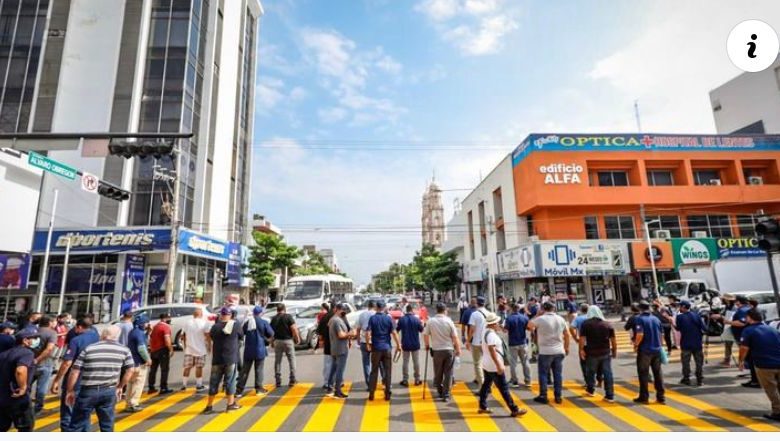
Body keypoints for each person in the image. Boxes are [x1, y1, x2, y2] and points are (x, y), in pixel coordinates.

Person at [65, 326, 133, 432]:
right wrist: (120, 387)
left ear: (103, 335)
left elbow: (75, 371)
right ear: (117, 336)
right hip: (109, 391)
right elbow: (130, 370)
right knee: (107, 426)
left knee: (76, 425)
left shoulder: (89, 348)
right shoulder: (124, 350)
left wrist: (70, 390)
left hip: (88, 391)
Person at [50, 318, 99, 432]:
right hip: (90, 381)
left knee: (68, 412)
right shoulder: (97, 338)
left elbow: (67, 363)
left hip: (74, 381)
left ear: (80, 327)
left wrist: (56, 380)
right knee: (84, 414)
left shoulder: (76, 340)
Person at [477, 312, 527, 417]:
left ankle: (482, 406)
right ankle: (514, 409)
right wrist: (499, 365)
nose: (499, 324)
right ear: (493, 324)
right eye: (497, 323)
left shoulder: (485, 331)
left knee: (486, 385)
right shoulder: (491, 335)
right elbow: (492, 350)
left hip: (487, 364)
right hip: (494, 366)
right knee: (503, 388)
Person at [738, 309, 780, 422]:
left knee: (771, 389)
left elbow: (744, 348)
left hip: (764, 364)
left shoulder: (748, 330)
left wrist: (741, 361)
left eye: (747, 317)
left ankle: (777, 412)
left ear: (750, 318)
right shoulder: (772, 329)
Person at [528, 301, 569, 404]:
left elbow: (529, 326)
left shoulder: (540, 319)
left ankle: (543, 395)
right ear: (554, 308)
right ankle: (558, 396)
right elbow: (567, 334)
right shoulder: (560, 319)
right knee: (558, 374)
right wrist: (566, 347)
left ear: (543, 309)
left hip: (545, 351)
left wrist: (538, 314)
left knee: (543, 374)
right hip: (559, 350)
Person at [204, 307, 244, 414]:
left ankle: (209, 406)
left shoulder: (215, 327)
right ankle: (230, 405)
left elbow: (211, 337)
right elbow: (241, 336)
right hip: (230, 358)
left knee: (214, 382)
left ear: (221, 315)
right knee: (230, 381)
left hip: (217, 358)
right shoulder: (235, 325)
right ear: (230, 315)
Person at [0, 328, 38, 432]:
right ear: (25, 340)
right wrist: (23, 387)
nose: (36, 340)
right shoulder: (27, 353)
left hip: (3, 397)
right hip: (18, 399)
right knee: (25, 428)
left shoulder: (4, 354)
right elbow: (20, 370)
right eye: (34, 338)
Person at [424, 303, 461, 402]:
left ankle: (440, 390)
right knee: (448, 372)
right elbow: (455, 337)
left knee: (438, 371)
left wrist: (427, 345)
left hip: (437, 351)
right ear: (445, 310)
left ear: (436, 310)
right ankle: (446, 394)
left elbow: (426, 335)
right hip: (448, 350)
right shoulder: (449, 321)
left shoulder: (430, 321)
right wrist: (458, 349)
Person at [579, 305, 616, 401]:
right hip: (605, 352)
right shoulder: (608, 324)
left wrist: (581, 350)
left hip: (591, 352)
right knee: (608, 373)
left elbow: (582, 339)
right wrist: (614, 351)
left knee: (590, 372)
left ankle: (591, 389)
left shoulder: (585, 324)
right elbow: (613, 340)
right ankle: (609, 395)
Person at [366, 300, 401, 401]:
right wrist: (399, 345)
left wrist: (368, 344)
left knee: (374, 371)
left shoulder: (372, 318)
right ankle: (387, 394)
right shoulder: (388, 319)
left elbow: (368, 333)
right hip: (386, 348)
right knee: (388, 371)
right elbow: (394, 333)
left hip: (376, 348)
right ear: (384, 308)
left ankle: (371, 393)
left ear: (376, 308)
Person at [237, 306, 274, 396]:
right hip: (260, 349)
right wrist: (267, 340)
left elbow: (242, 333)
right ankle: (258, 389)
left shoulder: (248, 322)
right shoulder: (263, 322)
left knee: (245, 371)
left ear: (253, 313)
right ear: (261, 313)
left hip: (248, 350)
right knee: (259, 370)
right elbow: (271, 333)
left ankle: (239, 390)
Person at [633, 301, 665, 405]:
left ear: (640, 309)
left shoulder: (639, 319)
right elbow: (661, 334)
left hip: (645, 350)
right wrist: (660, 345)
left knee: (643, 373)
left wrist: (636, 344)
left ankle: (644, 396)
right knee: (658, 373)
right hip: (656, 350)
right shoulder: (656, 319)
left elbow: (640, 334)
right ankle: (661, 396)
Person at [727, 295, 759, 388]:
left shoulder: (742, 310)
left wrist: (728, 322)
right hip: (748, 338)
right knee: (751, 360)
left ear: (738, 302)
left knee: (751, 360)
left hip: (746, 339)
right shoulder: (747, 309)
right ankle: (755, 379)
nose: (735, 303)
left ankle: (755, 381)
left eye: (736, 301)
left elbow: (742, 323)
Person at [673, 300, 707, 386]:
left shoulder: (680, 317)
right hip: (697, 343)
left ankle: (686, 378)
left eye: (680, 306)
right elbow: (704, 328)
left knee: (686, 362)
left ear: (684, 307)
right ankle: (699, 379)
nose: (679, 308)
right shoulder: (696, 316)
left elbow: (678, 328)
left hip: (686, 343)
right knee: (699, 362)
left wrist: (672, 323)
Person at [31, 315, 57, 414]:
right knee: (41, 388)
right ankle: (37, 409)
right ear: (50, 322)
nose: (55, 324)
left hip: (30, 363)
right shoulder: (52, 333)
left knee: (26, 386)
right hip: (45, 363)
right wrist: (38, 359)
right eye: (54, 322)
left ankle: (23, 406)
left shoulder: (33, 331)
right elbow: (49, 349)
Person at [327, 303, 354, 398]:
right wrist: (350, 334)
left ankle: (330, 386)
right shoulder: (337, 321)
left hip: (335, 347)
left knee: (334, 368)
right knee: (339, 370)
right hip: (340, 349)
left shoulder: (334, 320)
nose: (345, 312)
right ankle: (337, 390)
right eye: (344, 310)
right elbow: (341, 335)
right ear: (338, 310)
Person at [270, 304, 300, 387]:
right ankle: (292, 379)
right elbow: (294, 328)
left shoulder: (273, 319)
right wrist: (297, 338)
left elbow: (271, 332)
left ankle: (278, 380)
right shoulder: (288, 317)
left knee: (278, 361)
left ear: (277, 310)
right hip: (288, 341)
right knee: (291, 359)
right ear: (284, 309)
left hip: (277, 341)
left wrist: (272, 342)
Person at [181, 308, 211, 391]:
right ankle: (199, 385)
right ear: (201, 315)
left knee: (187, 367)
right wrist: (209, 346)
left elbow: (183, 336)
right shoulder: (204, 323)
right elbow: (207, 336)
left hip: (189, 349)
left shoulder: (187, 323)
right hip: (200, 349)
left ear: (193, 315)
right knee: (199, 367)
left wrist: (184, 346)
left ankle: (184, 385)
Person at [125, 315, 151, 412]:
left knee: (131, 383)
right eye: (147, 322)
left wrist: (148, 332)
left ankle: (128, 403)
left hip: (131, 362)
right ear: (143, 323)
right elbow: (141, 348)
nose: (148, 324)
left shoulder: (133, 332)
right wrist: (148, 359)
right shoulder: (139, 334)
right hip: (139, 363)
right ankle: (134, 403)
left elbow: (144, 340)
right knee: (138, 383)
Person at [504, 303, 531, 387]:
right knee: (525, 362)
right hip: (523, 342)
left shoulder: (509, 318)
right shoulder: (524, 318)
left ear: (512, 309)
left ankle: (514, 381)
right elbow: (529, 328)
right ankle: (528, 381)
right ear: (519, 309)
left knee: (513, 363)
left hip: (513, 343)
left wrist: (501, 327)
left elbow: (505, 330)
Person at [397, 303, 424, 386]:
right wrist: (422, 323)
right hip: (415, 344)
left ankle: (405, 380)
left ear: (406, 310)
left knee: (405, 362)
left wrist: (398, 343)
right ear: (412, 310)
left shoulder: (401, 319)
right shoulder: (416, 319)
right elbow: (421, 330)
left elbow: (397, 330)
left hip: (405, 343)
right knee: (416, 362)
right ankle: (417, 379)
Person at [148, 313, 173, 394]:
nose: (170, 320)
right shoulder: (166, 327)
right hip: (162, 350)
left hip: (153, 350)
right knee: (164, 369)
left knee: (153, 370)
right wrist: (171, 349)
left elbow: (151, 337)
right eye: (169, 318)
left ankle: (151, 387)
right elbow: (167, 340)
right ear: (165, 318)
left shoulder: (155, 326)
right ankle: (163, 388)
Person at [467, 296, 489, 386]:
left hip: (476, 342)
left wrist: (468, 341)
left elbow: (472, 329)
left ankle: (482, 386)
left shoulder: (474, 314)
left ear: (477, 304)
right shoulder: (489, 313)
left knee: (477, 364)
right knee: (487, 363)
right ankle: (488, 384)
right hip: (488, 342)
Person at [356, 299, 377, 388]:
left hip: (364, 341)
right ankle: (384, 382)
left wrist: (358, 340)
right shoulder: (377, 315)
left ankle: (369, 384)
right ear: (374, 306)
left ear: (368, 306)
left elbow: (358, 329)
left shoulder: (362, 315)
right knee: (379, 363)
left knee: (366, 363)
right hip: (376, 342)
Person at [569, 303, 591, 383]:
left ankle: (588, 380)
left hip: (583, 343)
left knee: (584, 362)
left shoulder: (578, 319)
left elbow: (571, 328)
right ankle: (597, 378)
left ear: (581, 310)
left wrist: (575, 338)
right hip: (594, 343)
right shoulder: (592, 317)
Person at [317, 302, 336, 390]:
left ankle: (327, 382)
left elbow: (319, 332)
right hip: (337, 344)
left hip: (327, 344)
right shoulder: (338, 317)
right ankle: (337, 382)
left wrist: (321, 342)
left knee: (328, 364)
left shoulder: (324, 317)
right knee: (338, 364)